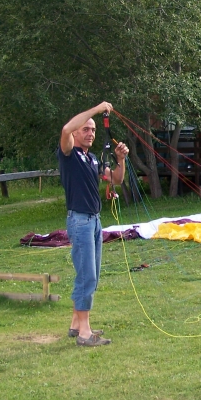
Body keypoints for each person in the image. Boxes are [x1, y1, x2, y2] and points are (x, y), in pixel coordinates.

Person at [58, 102, 129, 347]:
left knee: (92, 275)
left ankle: (75, 324)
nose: (91, 133)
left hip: (94, 221)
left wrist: (121, 160)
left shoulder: (91, 159)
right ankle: (85, 334)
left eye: (94, 130)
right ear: (77, 133)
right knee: (86, 275)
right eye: (86, 129)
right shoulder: (68, 153)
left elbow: (116, 179)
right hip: (79, 221)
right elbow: (66, 129)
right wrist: (97, 109)